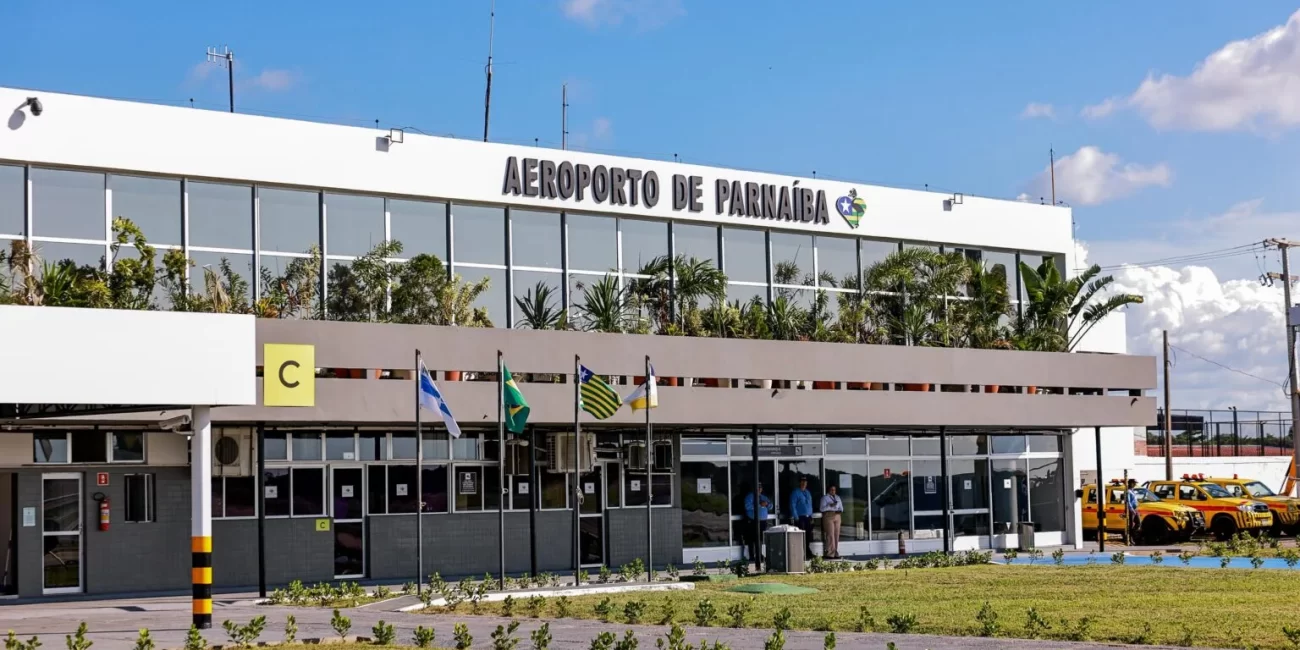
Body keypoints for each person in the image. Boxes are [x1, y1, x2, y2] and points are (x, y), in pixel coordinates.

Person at [743, 483, 772, 569]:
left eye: (760, 488)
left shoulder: (763, 497)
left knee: (761, 539)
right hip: (753, 521)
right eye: (757, 487)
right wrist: (759, 504)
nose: (759, 489)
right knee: (752, 539)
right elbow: (747, 506)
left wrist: (767, 504)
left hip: (762, 521)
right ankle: (752, 556)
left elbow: (771, 505)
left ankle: (759, 554)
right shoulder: (750, 497)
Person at [789, 476, 814, 558]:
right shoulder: (795, 492)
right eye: (802, 481)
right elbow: (792, 505)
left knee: (808, 536)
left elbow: (810, 505)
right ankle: (801, 553)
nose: (804, 483)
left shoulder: (808, 492)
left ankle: (807, 552)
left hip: (808, 517)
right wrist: (796, 517)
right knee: (801, 536)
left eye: (805, 482)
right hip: (800, 517)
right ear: (799, 482)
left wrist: (811, 516)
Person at [820, 484, 844, 559]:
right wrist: (830, 506)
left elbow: (841, 508)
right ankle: (830, 553)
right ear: (828, 490)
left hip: (837, 515)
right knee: (830, 534)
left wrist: (840, 510)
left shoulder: (837, 497)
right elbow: (822, 509)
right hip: (828, 515)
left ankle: (835, 552)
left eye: (834, 490)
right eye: (831, 490)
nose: (833, 491)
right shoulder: (825, 498)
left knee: (836, 534)